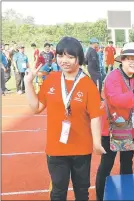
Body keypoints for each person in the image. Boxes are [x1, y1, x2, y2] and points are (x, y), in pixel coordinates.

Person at [23, 36, 106, 200]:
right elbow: (36, 108)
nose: (64, 60)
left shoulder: (87, 84)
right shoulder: (52, 79)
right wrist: (28, 83)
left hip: (81, 148)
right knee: (58, 192)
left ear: (79, 58)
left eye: (70, 56)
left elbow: (96, 116)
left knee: (82, 192)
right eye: (60, 56)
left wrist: (96, 143)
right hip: (56, 149)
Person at [95, 42, 134, 201]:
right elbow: (116, 101)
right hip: (112, 129)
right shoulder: (112, 77)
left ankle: (127, 195)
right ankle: (100, 197)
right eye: (130, 59)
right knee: (107, 165)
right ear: (123, 60)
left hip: (131, 129)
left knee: (127, 164)